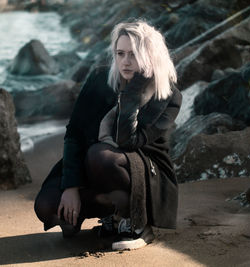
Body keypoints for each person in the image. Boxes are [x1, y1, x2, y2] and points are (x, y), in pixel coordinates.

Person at [34, 19, 182, 251]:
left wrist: (133, 93)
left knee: (101, 156)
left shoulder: (167, 95)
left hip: (142, 172)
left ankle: (136, 222)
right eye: (120, 53)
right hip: (95, 167)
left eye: (133, 54)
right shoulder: (99, 79)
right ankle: (110, 213)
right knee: (46, 206)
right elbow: (74, 133)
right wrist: (71, 187)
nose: (125, 62)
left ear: (150, 55)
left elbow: (129, 141)